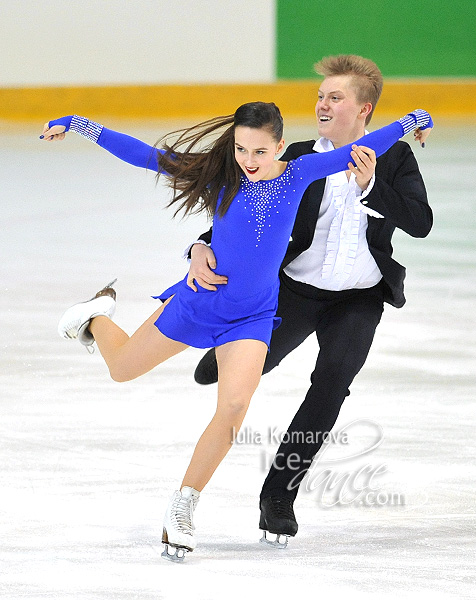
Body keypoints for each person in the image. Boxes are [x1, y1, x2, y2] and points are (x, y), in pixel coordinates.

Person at [40, 99, 431, 560]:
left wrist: (413, 120)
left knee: (234, 407)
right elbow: (145, 154)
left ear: (280, 146)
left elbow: (361, 149)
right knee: (122, 368)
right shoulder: (220, 174)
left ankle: (183, 506)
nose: (248, 161)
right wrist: (78, 124)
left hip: (254, 314)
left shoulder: (298, 173)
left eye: (260, 152)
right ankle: (95, 317)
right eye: (242, 149)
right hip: (204, 299)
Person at [189, 56, 434, 547]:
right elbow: (241, 217)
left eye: (335, 97)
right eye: (321, 96)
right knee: (249, 366)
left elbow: (420, 222)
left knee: (332, 384)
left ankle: (278, 495)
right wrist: (199, 245)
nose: (322, 103)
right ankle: (234, 354)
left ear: (364, 110)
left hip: (359, 298)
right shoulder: (296, 158)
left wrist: (371, 185)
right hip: (295, 291)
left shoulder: (397, 159)